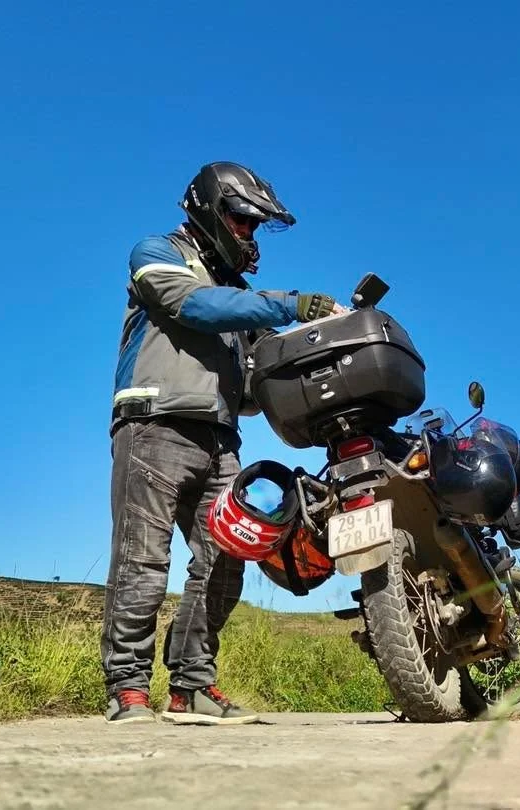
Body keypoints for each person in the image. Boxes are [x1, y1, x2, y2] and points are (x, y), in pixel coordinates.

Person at [101, 161, 339, 725]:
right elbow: (194, 307)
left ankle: (191, 687)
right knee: (143, 561)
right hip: (154, 425)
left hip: (220, 439)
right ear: (211, 211)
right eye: (242, 222)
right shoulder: (157, 253)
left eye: (256, 228)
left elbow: (256, 389)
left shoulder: (240, 298)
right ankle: (128, 690)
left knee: (228, 557)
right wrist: (290, 302)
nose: (249, 236)